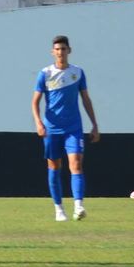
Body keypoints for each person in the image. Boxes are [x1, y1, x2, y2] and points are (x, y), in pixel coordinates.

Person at [32, 36, 100, 221]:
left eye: (63, 48)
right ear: (52, 52)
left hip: (73, 128)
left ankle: (78, 206)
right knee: (54, 166)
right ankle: (59, 209)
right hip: (52, 129)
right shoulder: (45, 74)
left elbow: (85, 99)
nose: (60, 52)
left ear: (69, 50)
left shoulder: (77, 72)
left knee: (76, 164)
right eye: (57, 49)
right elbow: (35, 102)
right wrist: (38, 123)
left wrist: (94, 124)